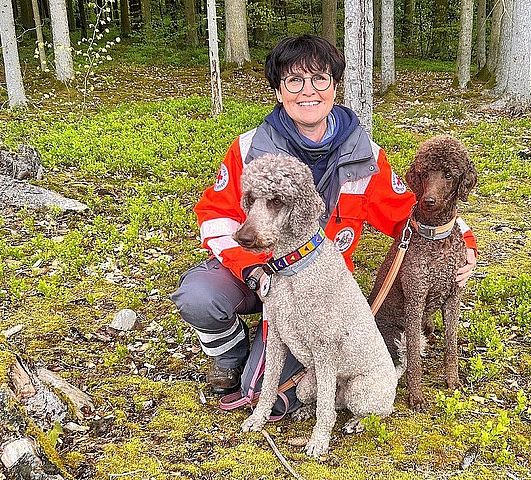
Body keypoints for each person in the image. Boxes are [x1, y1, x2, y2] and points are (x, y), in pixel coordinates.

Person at [170, 34, 478, 400]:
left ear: (335, 86)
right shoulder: (248, 148)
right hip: (256, 274)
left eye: (320, 79)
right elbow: (216, 216)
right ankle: (231, 354)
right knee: (199, 296)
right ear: (279, 90)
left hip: (318, 294)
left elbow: (412, 213)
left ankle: (265, 357)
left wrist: (464, 242)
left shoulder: (366, 157)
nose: (307, 91)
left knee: (270, 397)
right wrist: (250, 270)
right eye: (294, 80)